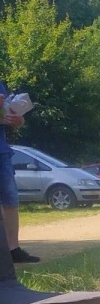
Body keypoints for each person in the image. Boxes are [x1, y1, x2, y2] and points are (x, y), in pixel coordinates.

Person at [0, 81, 38, 265]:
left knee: (10, 200)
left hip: (2, 153)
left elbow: (12, 116)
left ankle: (13, 250)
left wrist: (18, 121)